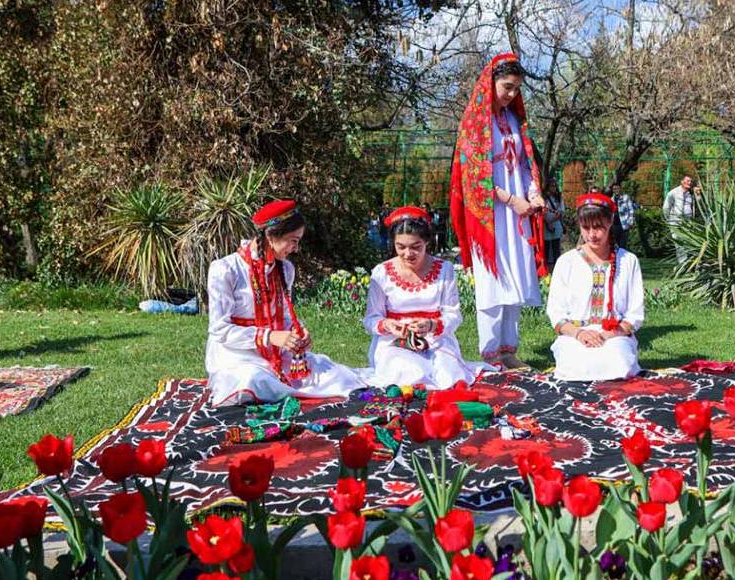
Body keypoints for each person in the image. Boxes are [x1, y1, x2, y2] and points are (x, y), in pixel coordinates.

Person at [206, 200, 364, 407]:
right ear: (270, 236)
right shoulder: (225, 269)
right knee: (252, 381)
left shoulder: (285, 269)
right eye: (292, 240)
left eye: (298, 241)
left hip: (277, 352)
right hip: (236, 354)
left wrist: (297, 333)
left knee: (331, 375)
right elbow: (220, 330)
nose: (296, 248)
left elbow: (285, 317)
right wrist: (270, 336)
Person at [449, 52, 547, 369]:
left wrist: (533, 193)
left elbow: (524, 162)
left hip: (517, 212)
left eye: (517, 89)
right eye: (507, 87)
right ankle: (490, 354)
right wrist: (511, 200)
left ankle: (509, 351)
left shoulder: (514, 120)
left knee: (516, 277)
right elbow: (472, 179)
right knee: (494, 281)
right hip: (490, 215)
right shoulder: (476, 123)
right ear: (490, 83)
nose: (512, 95)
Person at [362, 206, 482, 390]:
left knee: (447, 375)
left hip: (436, 338)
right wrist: (388, 325)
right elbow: (371, 319)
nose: (408, 254)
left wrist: (431, 325)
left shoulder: (445, 269)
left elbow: (453, 315)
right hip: (394, 341)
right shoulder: (382, 273)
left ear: (427, 241)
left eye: (416, 247)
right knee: (409, 373)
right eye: (400, 247)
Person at [547, 192, 644, 381]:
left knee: (619, 362)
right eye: (586, 227)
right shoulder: (567, 262)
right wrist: (580, 333)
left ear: (610, 222)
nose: (592, 234)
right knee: (573, 365)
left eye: (598, 227)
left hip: (614, 336)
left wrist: (607, 335)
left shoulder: (629, 261)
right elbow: (556, 313)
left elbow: (635, 314)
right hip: (574, 336)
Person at [662, 175, 700, 265]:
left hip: (688, 222)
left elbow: (699, 204)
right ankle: (683, 264)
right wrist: (669, 220)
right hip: (676, 222)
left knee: (687, 243)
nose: (689, 183)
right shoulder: (673, 192)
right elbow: (666, 207)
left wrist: (698, 194)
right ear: (682, 182)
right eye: (687, 181)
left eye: (690, 181)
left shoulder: (691, 193)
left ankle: (688, 263)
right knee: (679, 243)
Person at [543, 180, 564, 272]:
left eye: (555, 186)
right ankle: (546, 271)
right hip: (545, 226)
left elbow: (562, 212)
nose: (553, 188)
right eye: (551, 186)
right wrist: (547, 223)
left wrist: (552, 221)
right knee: (546, 250)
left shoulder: (559, 198)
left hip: (556, 226)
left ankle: (557, 270)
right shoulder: (543, 198)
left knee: (556, 249)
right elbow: (540, 212)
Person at [611, 183, 638, 250]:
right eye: (614, 189)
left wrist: (630, 221)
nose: (616, 190)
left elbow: (631, 210)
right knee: (614, 244)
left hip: (624, 224)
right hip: (614, 225)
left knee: (622, 244)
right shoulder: (611, 199)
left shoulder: (626, 198)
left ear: (620, 189)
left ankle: (623, 258)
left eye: (617, 188)